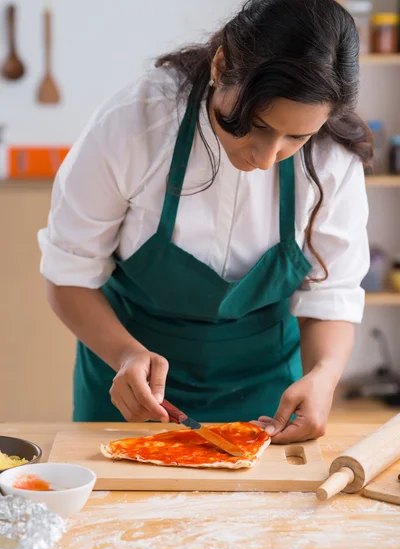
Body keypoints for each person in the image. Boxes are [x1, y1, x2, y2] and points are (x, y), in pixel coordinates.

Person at [38, 0, 372, 443]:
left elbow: (330, 298)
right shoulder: (134, 125)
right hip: (130, 388)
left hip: (265, 394)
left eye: (297, 136)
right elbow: (68, 275)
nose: (266, 156)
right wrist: (124, 356)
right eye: (254, 124)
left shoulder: (333, 160)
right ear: (221, 65)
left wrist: (325, 376)